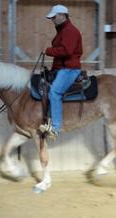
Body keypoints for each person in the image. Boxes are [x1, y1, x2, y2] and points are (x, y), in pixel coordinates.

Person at [39, 4, 83, 139]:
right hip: (61, 69)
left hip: (70, 69)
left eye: (54, 17)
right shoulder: (63, 30)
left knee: (55, 92)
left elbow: (66, 51)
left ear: (62, 16)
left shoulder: (69, 31)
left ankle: (56, 128)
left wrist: (48, 51)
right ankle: (48, 122)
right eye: (51, 18)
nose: (52, 20)